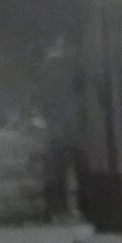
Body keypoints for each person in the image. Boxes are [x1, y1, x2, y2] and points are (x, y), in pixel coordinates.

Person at [37, 34, 82, 223]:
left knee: (59, 167)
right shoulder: (59, 66)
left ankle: (60, 210)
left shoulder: (54, 65)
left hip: (61, 122)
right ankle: (59, 210)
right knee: (59, 167)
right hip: (62, 122)